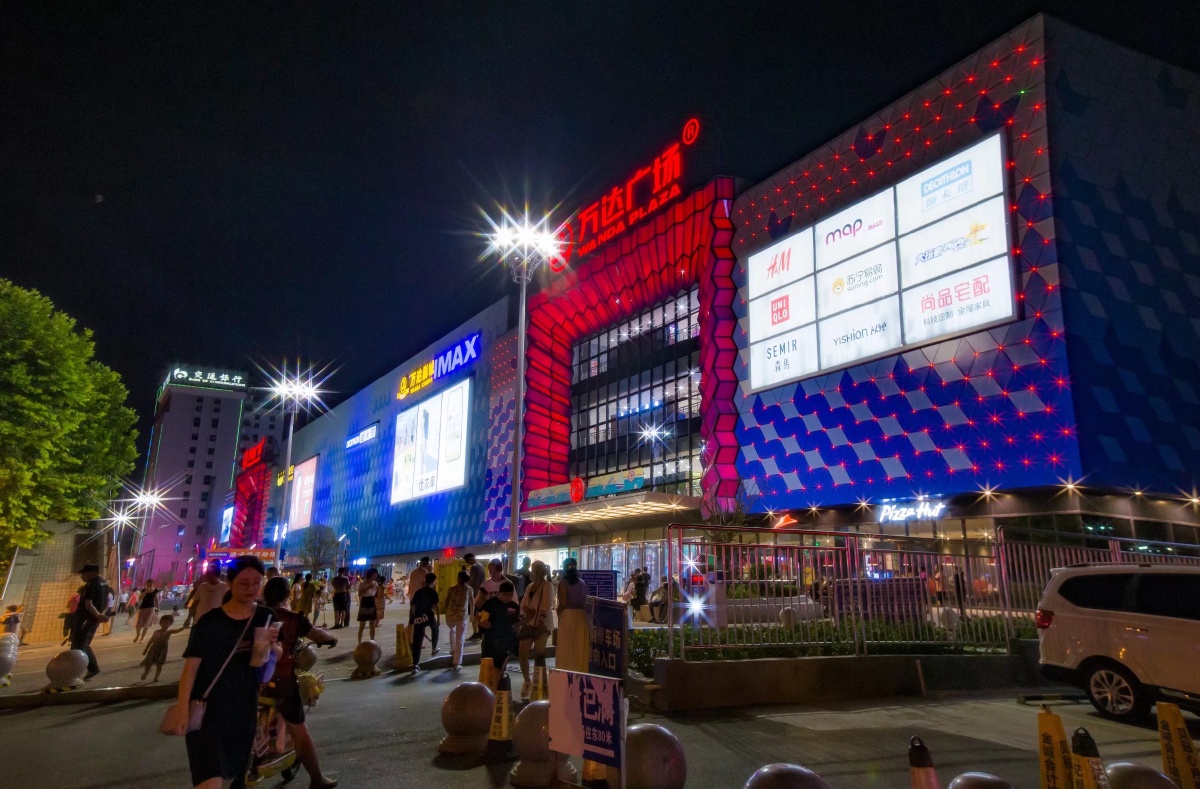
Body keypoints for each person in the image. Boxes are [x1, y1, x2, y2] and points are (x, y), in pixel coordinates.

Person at [164, 556, 275, 789]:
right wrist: (183, 709)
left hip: (243, 711)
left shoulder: (266, 617)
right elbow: (190, 669)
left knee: (236, 778)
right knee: (210, 781)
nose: (251, 589)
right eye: (244, 583)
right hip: (207, 713)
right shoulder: (210, 622)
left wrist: (272, 647)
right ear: (230, 583)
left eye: (257, 582)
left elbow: (266, 671)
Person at [262, 576, 339, 789]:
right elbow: (317, 635)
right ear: (287, 596)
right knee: (299, 729)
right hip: (282, 681)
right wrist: (331, 638)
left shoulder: (256, 614)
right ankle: (317, 778)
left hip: (254, 680)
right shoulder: (294, 619)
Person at [517, 560, 553, 700]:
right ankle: (527, 680)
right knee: (522, 653)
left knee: (539, 654)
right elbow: (524, 602)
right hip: (529, 623)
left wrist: (539, 623)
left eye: (533, 569)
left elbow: (546, 606)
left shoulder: (547, 585)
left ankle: (541, 684)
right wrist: (525, 609)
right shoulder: (530, 586)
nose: (531, 572)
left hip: (542, 625)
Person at [71, 563, 110, 680]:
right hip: (93, 619)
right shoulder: (104, 584)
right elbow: (108, 601)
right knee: (83, 644)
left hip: (85, 619)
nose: (81, 576)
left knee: (78, 645)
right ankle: (89, 669)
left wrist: (98, 614)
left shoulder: (91, 585)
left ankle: (79, 671)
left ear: (92, 573)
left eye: (84, 573)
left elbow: (88, 604)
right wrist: (100, 614)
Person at [555, 558, 589, 672]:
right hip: (581, 616)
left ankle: (565, 672)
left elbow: (563, 603)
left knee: (566, 647)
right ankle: (580, 671)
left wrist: (558, 612)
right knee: (579, 647)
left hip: (567, 615)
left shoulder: (563, 583)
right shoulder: (582, 583)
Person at [478, 580, 520, 673]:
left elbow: (516, 623)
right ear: (499, 593)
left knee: (500, 668)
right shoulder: (491, 603)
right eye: (505, 595)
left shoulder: (513, 606)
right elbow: (480, 616)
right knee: (486, 667)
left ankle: (497, 685)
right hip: (491, 640)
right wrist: (482, 623)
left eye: (510, 595)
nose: (508, 598)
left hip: (506, 641)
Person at [409, 572, 440, 671]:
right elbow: (436, 606)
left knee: (417, 639)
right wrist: (438, 618)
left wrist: (414, 616)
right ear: (434, 581)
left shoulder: (419, 591)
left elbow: (413, 604)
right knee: (435, 629)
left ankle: (415, 664)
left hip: (419, 617)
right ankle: (434, 648)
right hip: (429, 616)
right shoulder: (433, 592)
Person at [140, 614, 186, 682]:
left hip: (162, 650)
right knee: (148, 662)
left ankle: (156, 677)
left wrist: (184, 627)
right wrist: (146, 649)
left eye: (167, 623)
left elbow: (178, 630)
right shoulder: (156, 632)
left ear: (170, 624)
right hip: (153, 649)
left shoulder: (169, 632)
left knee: (159, 664)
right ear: (160, 623)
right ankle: (147, 671)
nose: (165, 624)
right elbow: (151, 641)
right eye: (163, 623)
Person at [443, 571, 473, 670]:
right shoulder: (469, 590)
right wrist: (472, 614)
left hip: (451, 615)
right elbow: (472, 603)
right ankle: (456, 663)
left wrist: (447, 613)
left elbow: (446, 602)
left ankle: (452, 650)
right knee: (460, 639)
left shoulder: (451, 589)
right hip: (462, 616)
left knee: (452, 632)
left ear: (458, 578)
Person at [463, 553, 485, 640]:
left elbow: (471, 580)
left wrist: (464, 586)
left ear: (471, 559)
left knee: (474, 613)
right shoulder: (481, 565)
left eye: (467, 561)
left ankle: (476, 633)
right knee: (479, 613)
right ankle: (480, 632)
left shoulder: (474, 567)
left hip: (475, 592)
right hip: (482, 592)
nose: (468, 563)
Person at [356, 568, 380, 643]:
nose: (376, 575)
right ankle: (359, 642)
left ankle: (372, 641)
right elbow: (360, 594)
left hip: (372, 601)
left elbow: (376, 595)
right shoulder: (362, 584)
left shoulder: (375, 583)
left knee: (372, 624)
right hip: (364, 602)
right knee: (362, 625)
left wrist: (379, 590)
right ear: (371, 574)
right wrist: (368, 587)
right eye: (375, 574)